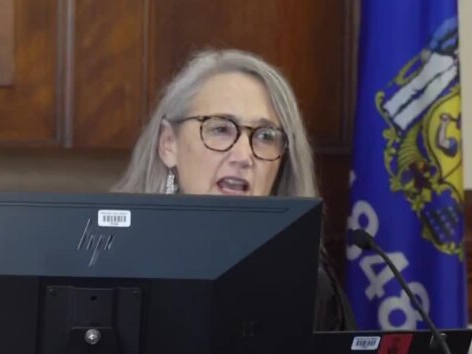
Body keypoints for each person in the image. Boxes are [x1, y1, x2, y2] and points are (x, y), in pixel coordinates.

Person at [114, 49, 356, 331]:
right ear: (169, 143)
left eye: (265, 136)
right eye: (220, 129)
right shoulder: (112, 262)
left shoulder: (310, 280)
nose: (243, 155)